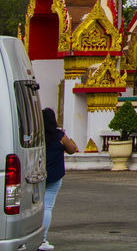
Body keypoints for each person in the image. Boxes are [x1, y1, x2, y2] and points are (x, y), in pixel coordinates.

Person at [41, 107, 78, 251]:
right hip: (54, 176)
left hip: (36, 176)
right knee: (47, 207)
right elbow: (72, 149)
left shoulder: (36, 135)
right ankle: (42, 239)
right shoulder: (59, 135)